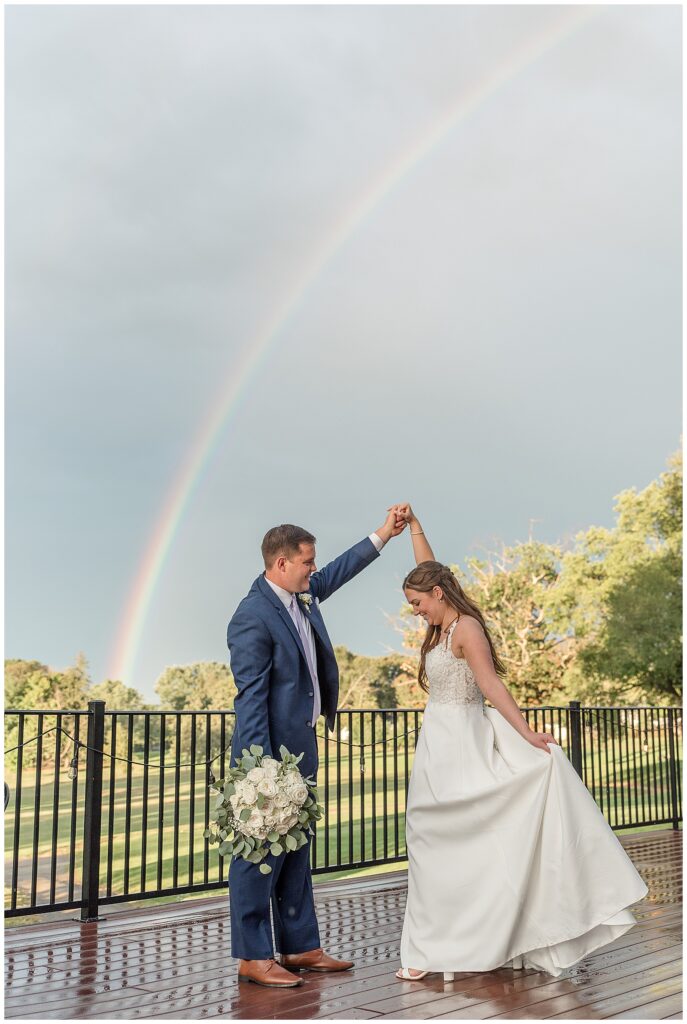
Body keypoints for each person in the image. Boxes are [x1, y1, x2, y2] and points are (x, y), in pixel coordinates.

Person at [391, 502, 648, 982]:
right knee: (428, 843)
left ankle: (462, 943)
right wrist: (416, 531)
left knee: (462, 843)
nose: (416, 611)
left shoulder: (465, 629)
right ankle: (431, 946)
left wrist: (527, 734)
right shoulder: (441, 622)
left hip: (464, 742)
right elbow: (431, 569)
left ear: (439, 594)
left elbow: (491, 686)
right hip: (437, 747)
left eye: (418, 602)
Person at [226, 510, 406, 988]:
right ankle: (252, 954)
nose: (314, 569)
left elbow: (338, 572)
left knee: (296, 849)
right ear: (281, 563)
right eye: (307, 562)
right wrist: (259, 770)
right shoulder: (252, 615)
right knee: (258, 850)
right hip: (267, 757)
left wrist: (383, 534)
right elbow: (251, 697)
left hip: (302, 748)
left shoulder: (302, 595)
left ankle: (301, 946)